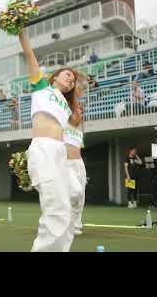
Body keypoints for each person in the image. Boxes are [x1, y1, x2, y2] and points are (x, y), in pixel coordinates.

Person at [19, 30, 79, 252]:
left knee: (68, 206)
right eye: (67, 75)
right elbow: (29, 55)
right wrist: (22, 31)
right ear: (54, 77)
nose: (71, 79)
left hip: (59, 154)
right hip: (43, 149)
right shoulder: (42, 87)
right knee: (55, 208)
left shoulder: (67, 106)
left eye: (73, 79)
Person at [64, 90, 88, 236]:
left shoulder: (79, 131)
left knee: (81, 197)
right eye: (78, 111)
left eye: (82, 112)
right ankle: (66, 221)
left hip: (79, 164)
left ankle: (76, 224)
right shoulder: (62, 124)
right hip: (66, 164)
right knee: (75, 193)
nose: (80, 113)